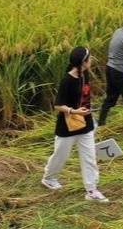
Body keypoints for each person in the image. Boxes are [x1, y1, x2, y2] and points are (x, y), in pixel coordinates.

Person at [42, 47, 110, 202]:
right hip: (67, 126)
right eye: (89, 58)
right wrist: (75, 111)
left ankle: (91, 190)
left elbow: (84, 96)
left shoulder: (84, 74)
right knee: (61, 155)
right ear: (83, 62)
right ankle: (49, 178)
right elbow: (58, 105)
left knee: (89, 157)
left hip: (86, 124)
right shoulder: (67, 80)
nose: (91, 60)